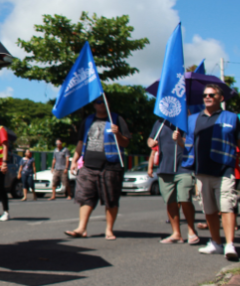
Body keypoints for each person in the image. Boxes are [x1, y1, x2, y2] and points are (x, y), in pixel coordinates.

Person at [173, 85, 240, 261]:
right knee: (209, 210)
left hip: (224, 170)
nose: (207, 97)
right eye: (205, 95)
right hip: (202, 171)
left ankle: (230, 245)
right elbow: (189, 146)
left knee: (226, 206)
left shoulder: (231, 118)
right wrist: (179, 140)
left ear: (221, 98)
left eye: (211, 94)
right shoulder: (193, 119)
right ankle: (216, 243)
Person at [65, 97, 131, 240]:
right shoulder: (88, 121)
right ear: (94, 105)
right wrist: (74, 160)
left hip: (111, 166)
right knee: (85, 197)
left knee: (111, 199)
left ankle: (109, 230)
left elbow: (125, 143)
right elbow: (81, 142)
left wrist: (118, 134)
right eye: (98, 102)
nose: (101, 104)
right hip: (88, 166)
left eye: (104, 102)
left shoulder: (117, 120)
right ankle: (81, 228)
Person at [147, 119, 199, 245]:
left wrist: (181, 141)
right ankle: (176, 233)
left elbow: (194, 143)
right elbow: (150, 140)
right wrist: (151, 143)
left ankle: (191, 231)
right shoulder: (160, 122)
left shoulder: (186, 121)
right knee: (170, 201)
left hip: (184, 167)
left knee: (184, 199)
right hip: (165, 168)